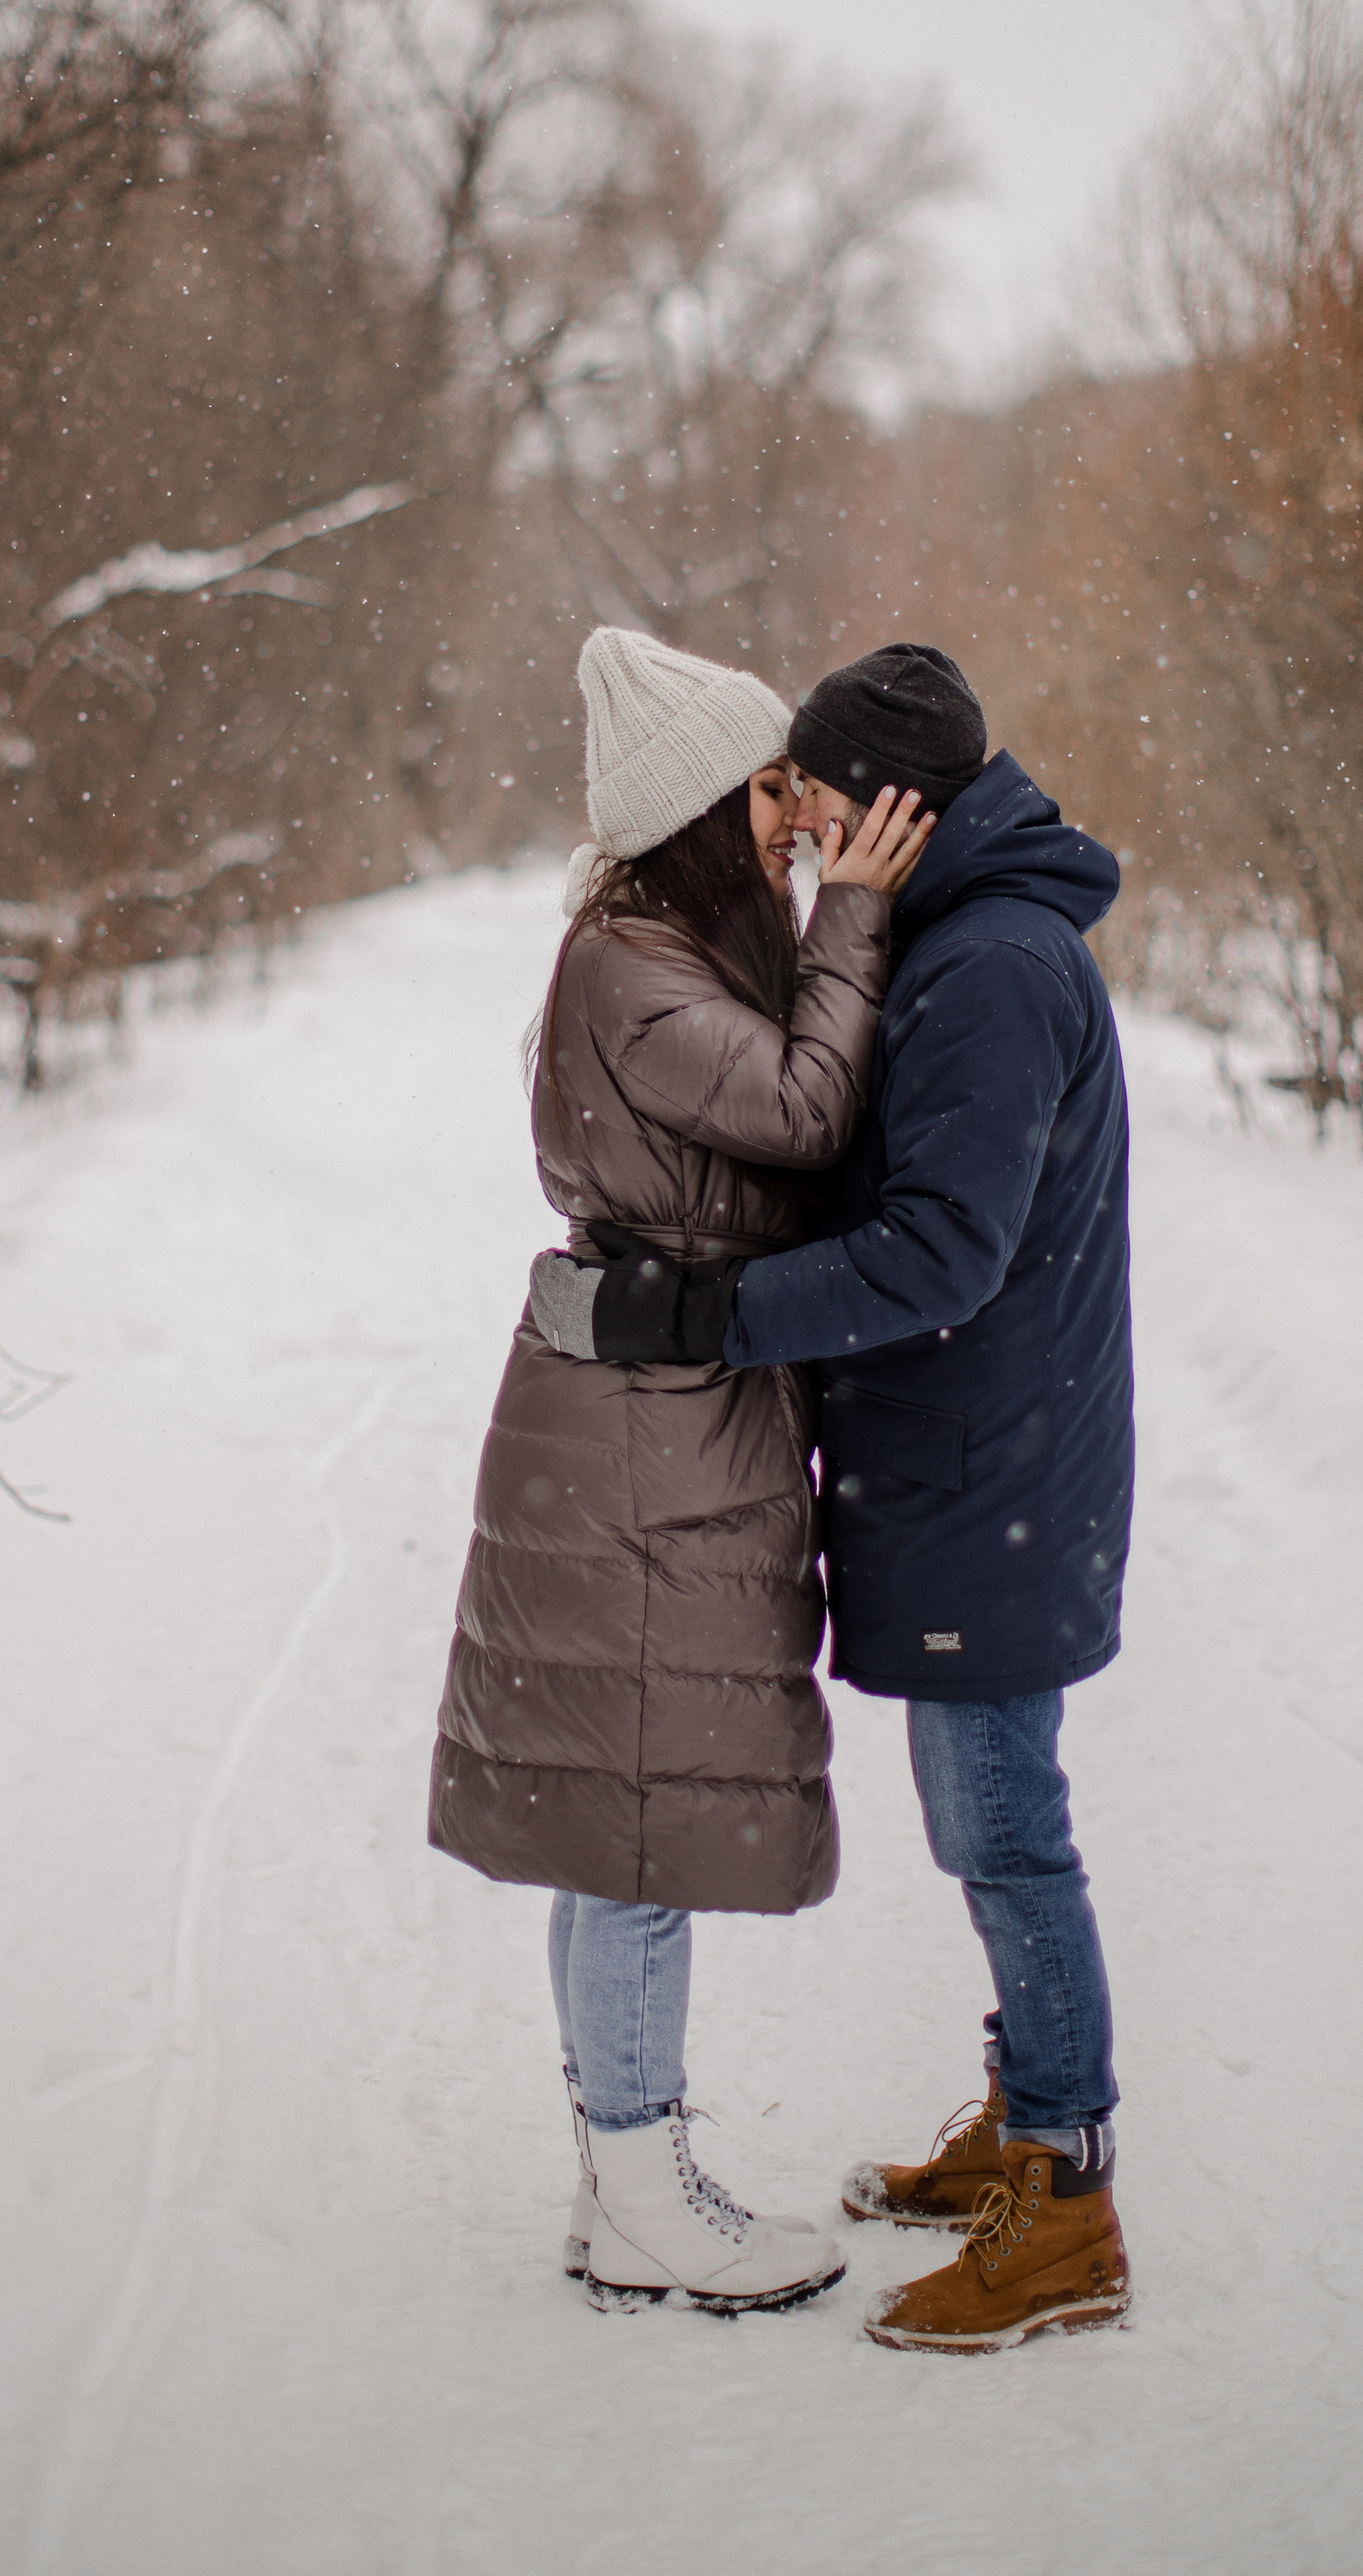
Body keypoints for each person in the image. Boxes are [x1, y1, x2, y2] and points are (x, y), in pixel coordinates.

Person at [532, 642, 1135, 2354]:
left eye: (812, 792)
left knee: (1003, 1831)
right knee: (982, 1820)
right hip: (970, 1457)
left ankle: (1064, 2194)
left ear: (893, 808)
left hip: (990, 1465)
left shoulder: (992, 965)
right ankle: (1026, 2118)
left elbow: (937, 1251)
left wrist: (702, 1317)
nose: (792, 821)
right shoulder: (959, 935)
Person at [428, 625, 930, 2315]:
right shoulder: (632, 967)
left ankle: (618, 2183)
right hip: (641, 1440)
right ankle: (644, 2185)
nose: (801, 819)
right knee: (639, 1830)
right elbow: (801, 1113)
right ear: (711, 804)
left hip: (658, 1419)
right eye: (775, 792)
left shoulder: (662, 948)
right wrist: (855, 915)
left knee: (618, 1824)